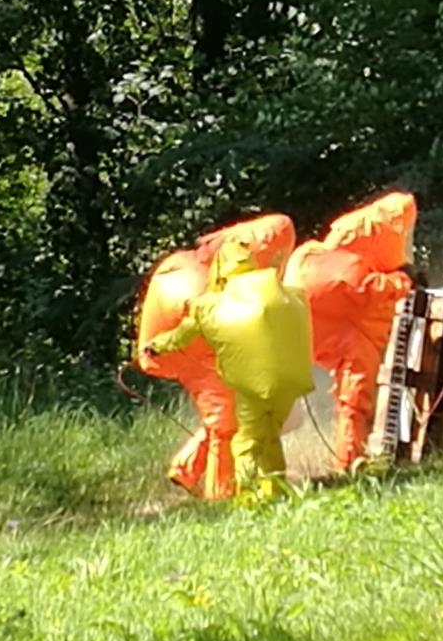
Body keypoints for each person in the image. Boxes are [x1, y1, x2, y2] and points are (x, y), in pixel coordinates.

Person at [134, 213, 295, 499]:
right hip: (189, 324)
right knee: (227, 420)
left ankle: (186, 470)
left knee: (230, 408)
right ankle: (222, 497)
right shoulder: (250, 264)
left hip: (176, 311)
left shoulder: (232, 254)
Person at [286, 192, 417, 470]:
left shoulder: (309, 254)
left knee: (246, 414)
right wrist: (405, 280)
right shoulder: (351, 270)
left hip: (288, 339)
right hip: (347, 342)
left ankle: (203, 468)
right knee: (354, 404)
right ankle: (349, 464)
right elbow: (374, 289)